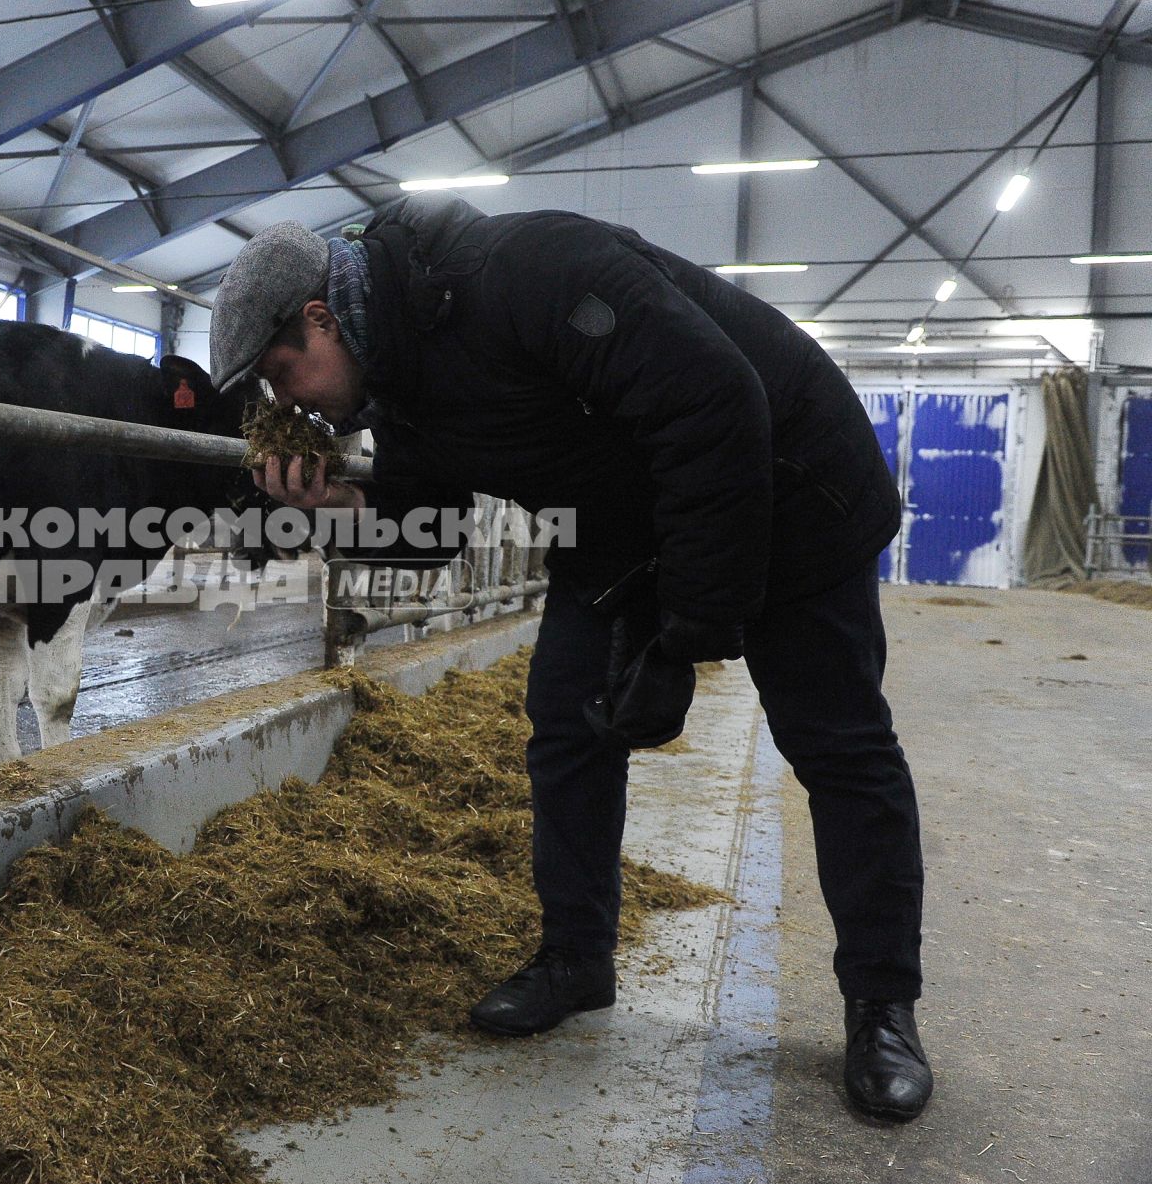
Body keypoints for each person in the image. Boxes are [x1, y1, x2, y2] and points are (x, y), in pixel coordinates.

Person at [207, 195, 932, 1122]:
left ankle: (881, 1007)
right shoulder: (402, 372)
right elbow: (434, 528)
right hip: (628, 523)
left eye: (281, 372)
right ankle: (577, 957)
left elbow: (717, 403)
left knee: (838, 746)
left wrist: (688, 640)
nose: (288, 401)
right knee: (566, 720)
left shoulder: (527, 269)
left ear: (319, 317)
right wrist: (327, 511)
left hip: (791, 487)